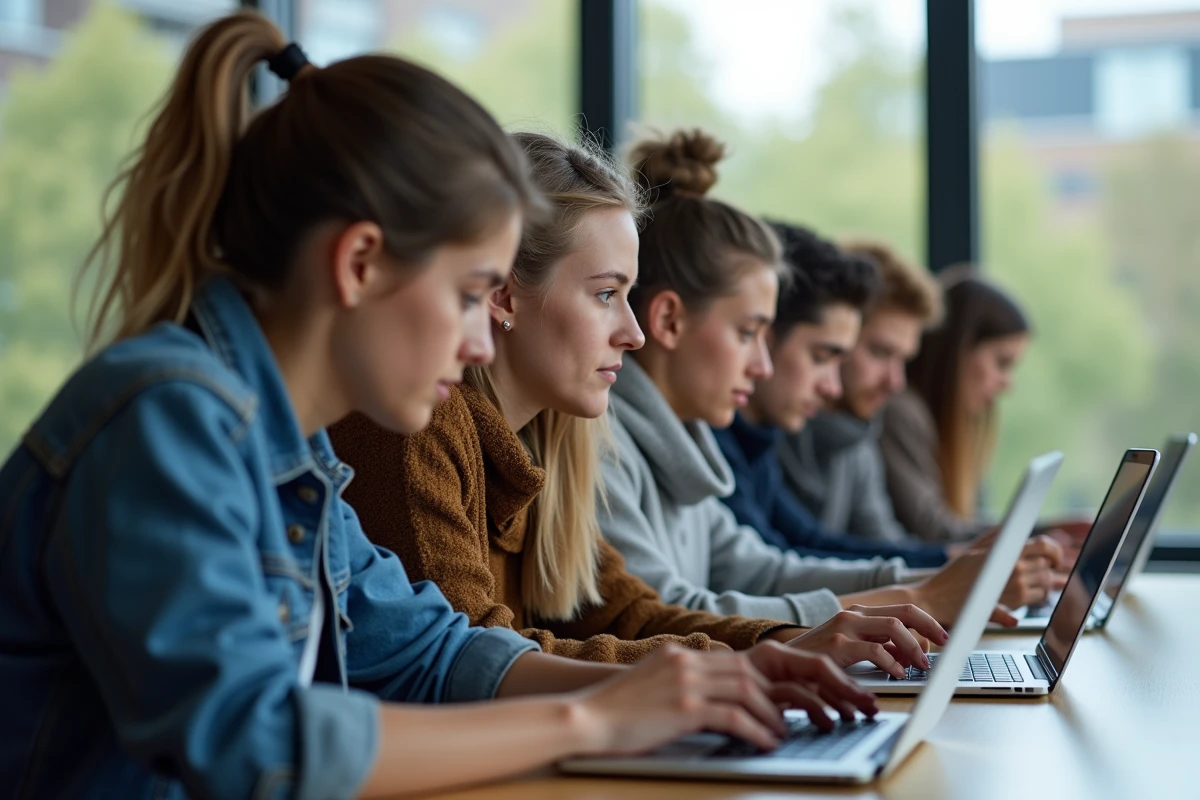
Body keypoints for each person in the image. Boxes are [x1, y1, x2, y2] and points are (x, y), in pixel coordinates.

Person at [0, 16, 879, 799]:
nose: (479, 339)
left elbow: (427, 650)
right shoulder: (168, 420)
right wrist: (595, 720)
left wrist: (695, 677)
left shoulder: (290, 448)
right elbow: (254, 747)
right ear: (359, 265)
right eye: (469, 294)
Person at [330, 132, 943, 674]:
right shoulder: (420, 428)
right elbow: (480, 662)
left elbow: (627, 615)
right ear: (506, 295)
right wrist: (756, 660)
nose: (634, 332)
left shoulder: (550, 442)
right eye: (605, 294)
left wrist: (785, 641)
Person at [597, 129, 1062, 632]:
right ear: (669, 322)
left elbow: (761, 569)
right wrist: (920, 595)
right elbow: (661, 612)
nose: (762, 366)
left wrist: (932, 586)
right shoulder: (603, 443)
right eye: (749, 332)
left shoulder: (685, 443)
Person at [713, 223, 949, 567]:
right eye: (823, 357)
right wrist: (937, 577)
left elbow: (802, 546)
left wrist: (949, 564)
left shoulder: (770, 434)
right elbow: (767, 570)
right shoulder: (741, 432)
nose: (896, 383)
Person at [776, 238, 949, 543]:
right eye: (880, 353)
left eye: (903, 361)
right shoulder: (769, 425)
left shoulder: (855, 438)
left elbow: (882, 543)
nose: (895, 382)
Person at [879, 266, 1029, 542]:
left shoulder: (926, 420)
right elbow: (933, 529)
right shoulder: (901, 412)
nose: (1007, 383)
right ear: (958, 350)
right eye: (1001, 363)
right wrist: (1037, 535)